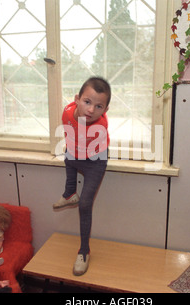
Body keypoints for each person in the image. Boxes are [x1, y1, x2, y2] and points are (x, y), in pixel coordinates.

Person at [53, 76, 111, 276]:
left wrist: (75, 153)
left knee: (85, 204)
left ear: (105, 110)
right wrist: (71, 153)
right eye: (87, 102)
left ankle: (84, 251)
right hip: (76, 150)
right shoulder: (67, 113)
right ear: (77, 99)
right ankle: (70, 193)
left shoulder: (100, 125)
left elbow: (89, 149)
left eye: (99, 106)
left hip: (96, 159)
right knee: (67, 156)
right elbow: (70, 137)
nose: (91, 110)